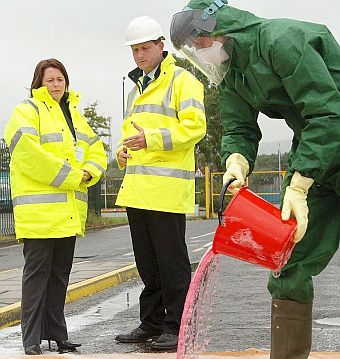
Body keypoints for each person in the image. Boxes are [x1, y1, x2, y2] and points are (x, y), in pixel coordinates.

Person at [170, 1, 340, 358]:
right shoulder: (233, 74)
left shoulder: (281, 41)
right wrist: (236, 160)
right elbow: (238, 127)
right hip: (320, 157)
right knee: (288, 264)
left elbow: (328, 113)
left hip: (323, 144)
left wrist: (300, 182)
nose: (199, 53)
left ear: (217, 28)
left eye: (197, 43)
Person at [114, 16, 206, 351]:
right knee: (147, 264)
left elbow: (195, 128)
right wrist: (122, 152)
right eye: (134, 50)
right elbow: (130, 134)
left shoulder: (183, 81)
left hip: (166, 192)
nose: (139, 55)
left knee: (171, 264)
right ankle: (151, 323)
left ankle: (176, 326)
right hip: (138, 192)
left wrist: (150, 139)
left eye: (144, 48)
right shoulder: (136, 90)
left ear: (160, 46)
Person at [4, 58, 107, 355]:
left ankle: (57, 335)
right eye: (50, 80)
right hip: (39, 215)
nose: (56, 84)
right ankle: (32, 339)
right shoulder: (27, 110)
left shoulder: (74, 115)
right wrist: (76, 176)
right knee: (36, 278)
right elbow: (28, 154)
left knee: (60, 277)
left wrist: (91, 170)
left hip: (67, 214)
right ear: (38, 83)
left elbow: (96, 148)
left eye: (60, 79)